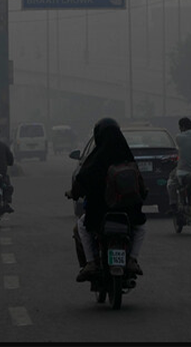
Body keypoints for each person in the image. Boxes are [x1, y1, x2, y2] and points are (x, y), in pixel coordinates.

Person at [67, 117, 147, 281]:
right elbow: (141, 186)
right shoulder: (127, 156)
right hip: (127, 212)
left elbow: (81, 181)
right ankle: (132, 259)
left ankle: (90, 263)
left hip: (99, 213)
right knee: (140, 228)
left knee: (81, 228)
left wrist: (73, 194)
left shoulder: (95, 159)